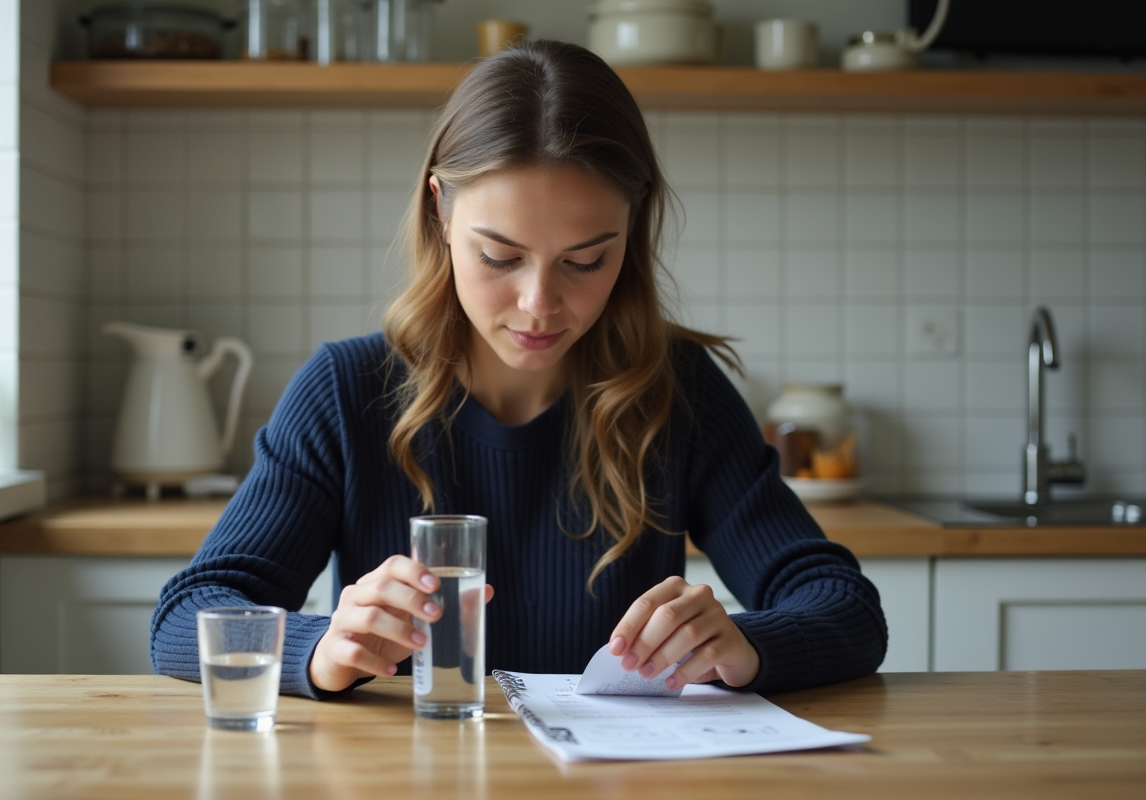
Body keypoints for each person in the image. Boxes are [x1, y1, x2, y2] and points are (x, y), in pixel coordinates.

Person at [150, 39, 886, 699]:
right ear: (440, 213)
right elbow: (187, 616)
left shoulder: (678, 390)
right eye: (499, 256)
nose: (539, 305)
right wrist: (319, 648)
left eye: (586, 260)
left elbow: (843, 605)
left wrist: (749, 642)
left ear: (633, 229)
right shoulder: (345, 391)